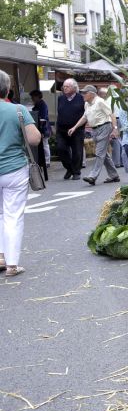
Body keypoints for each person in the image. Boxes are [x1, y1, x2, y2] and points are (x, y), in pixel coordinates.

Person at [0, 71, 41, 277]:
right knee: (12, 215)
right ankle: (12, 265)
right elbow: (34, 139)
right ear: (7, 89)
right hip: (14, 168)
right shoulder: (18, 110)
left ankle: (0, 255)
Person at [68, 85, 119, 186]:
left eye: (85, 93)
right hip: (94, 130)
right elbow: (84, 117)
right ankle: (114, 175)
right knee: (103, 154)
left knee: (99, 153)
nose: (83, 95)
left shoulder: (100, 101)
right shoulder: (87, 104)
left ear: (91, 94)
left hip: (104, 127)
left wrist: (115, 128)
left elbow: (111, 114)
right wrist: (74, 127)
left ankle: (93, 176)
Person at [56, 78, 85, 180]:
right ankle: (69, 168)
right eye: (64, 86)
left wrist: (78, 126)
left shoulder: (81, 98)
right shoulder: (61, 98)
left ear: (74, 88)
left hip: (77, 129)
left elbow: (85, 114)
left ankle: (76, 172)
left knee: (77, 151)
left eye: (67, 86)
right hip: (62, 129)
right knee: (61, 149)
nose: (65, 88)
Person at [100, 87, 124, 169]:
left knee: (115, 140)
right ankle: (121, 161)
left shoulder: (108, 100)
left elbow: (109, 113)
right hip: (120, 119)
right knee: (120, 140)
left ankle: (116, 162)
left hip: (114, 120)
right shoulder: (118, 98)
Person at [29, 89, 51, 163]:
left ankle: (47, 161)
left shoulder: (42, 105)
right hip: (41, 128)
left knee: (45, 145)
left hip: (43, 128)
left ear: (37, 96)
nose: (32, 98)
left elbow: (43, 118)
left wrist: (42, 130)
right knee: (43, 145)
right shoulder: (38, 104)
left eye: (33, 97)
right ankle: (44, 161)